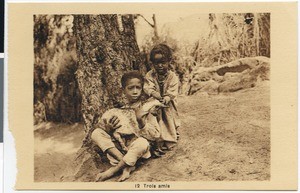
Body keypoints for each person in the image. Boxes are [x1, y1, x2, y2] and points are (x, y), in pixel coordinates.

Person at [91, 71, 151, 182]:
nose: (135, 91)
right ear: (123, 90)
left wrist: (141, 122)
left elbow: (154, 136)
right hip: (119, 150)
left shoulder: (147, 108)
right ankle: (126, 164)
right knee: (96, 133)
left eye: (138, 88)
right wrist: (108, 129)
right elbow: (103, 130)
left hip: (136, 151)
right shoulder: (117, 110)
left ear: (142, 89)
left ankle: (114, 170)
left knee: (143, 143)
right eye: (131, 88)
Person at [144, 44, 181, 150]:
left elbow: (173, 91)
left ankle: (170, 139)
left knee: (169, 119)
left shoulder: (172, 76)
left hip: (167, 103)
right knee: (155, 119)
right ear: (153, 63)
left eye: (163, 63)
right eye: (157, 63)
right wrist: (153, 93)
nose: (160, 65)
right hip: (155, 102)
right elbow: (147, 87)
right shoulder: (150, 75)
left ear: (169, 62)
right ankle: (158, 141)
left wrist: (167, 97)